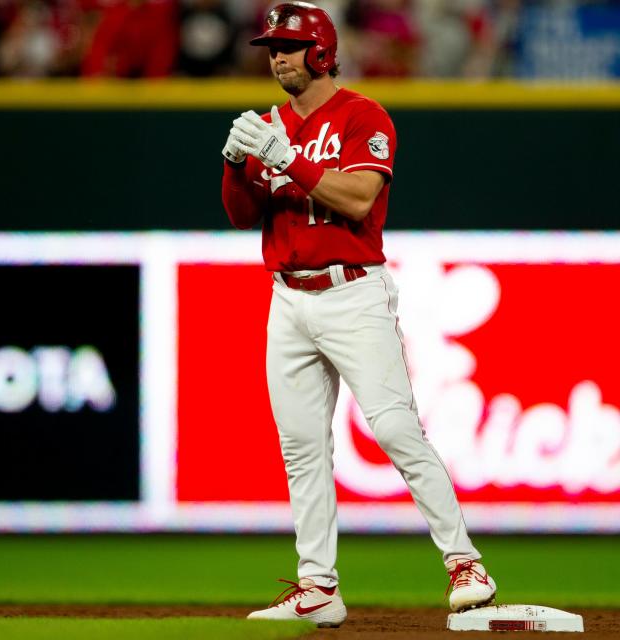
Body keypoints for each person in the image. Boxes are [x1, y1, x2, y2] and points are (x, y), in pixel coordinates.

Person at [220, 1, 497, 627]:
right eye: (271, 49)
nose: (278, 58)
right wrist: (237, 165)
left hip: (352, 291)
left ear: (321, 50)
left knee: (396, 429)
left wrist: (285, 157)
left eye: (289, 46)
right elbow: (242, 215)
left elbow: (357, 195)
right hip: (287, 295)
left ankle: (465, 562)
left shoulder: (362, 116)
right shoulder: (271, 123)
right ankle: (318, 585)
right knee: (301, 449)